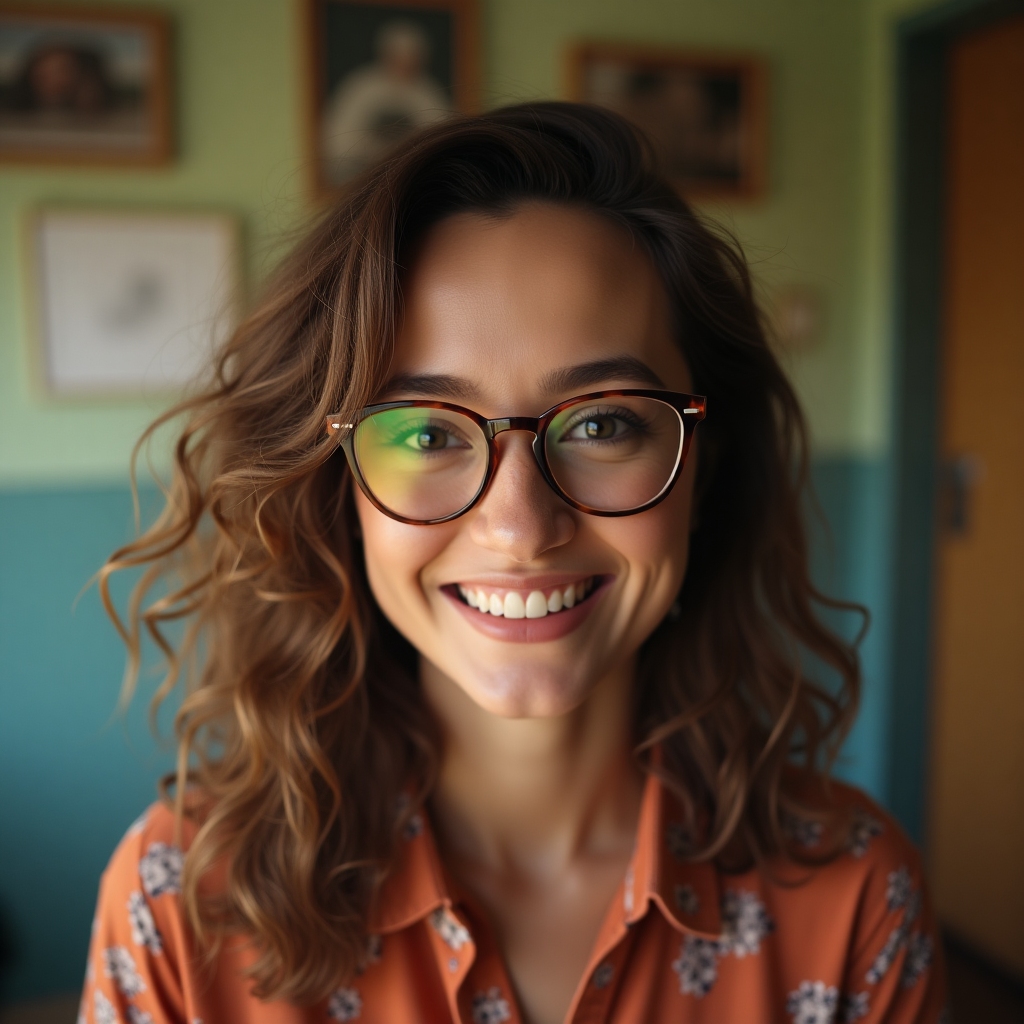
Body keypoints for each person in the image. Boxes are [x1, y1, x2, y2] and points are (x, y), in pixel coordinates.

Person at [83, 104, 946, 1023]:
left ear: (704, 463)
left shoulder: (852, 891)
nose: (520, 524)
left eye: (604, 423)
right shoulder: (181, 903)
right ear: (338, 489)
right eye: (425, 431)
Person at [320, 19, 450, 185]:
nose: (404, 64)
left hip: (413, 178)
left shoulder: (429, 93)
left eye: (411, 57)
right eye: (398, 57)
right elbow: (338, 142)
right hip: (363, 179)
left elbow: (441, 139)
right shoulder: (360, 88)